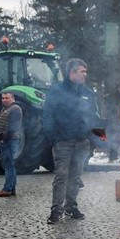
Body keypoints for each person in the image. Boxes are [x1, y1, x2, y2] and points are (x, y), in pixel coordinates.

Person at [43, 58, 101, 224]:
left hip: (82, 142)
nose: (85, 75)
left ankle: (71, 207)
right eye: (82, 72)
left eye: (85, 72)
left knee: (75, 177)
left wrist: (96, 138)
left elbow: (93, 116)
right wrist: (53, 137)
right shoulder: (56, 91)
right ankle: (56, 210)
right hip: (62, 142)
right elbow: (47, 115)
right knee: (61, 176)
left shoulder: (88, 93)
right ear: (72, 72)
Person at [0, 91, 22, 197]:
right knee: (10, 165)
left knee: (8, 166)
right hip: (6, 140)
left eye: (7, 98)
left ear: (12, 99)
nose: (4, 100)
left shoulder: (15, 109)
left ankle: (7, 189)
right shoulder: (6, 109)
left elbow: (13, 127)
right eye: (3, 98)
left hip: (8, 141)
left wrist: (3, 140)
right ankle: (11, 188)